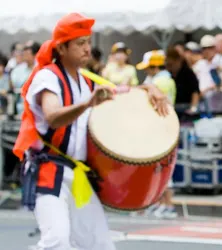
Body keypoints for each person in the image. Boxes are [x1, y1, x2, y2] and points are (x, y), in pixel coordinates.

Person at [12, 13, 170, 250]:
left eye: (88, 42)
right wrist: (87, 104)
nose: (87, 49)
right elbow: (53, 117)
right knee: (56, 241)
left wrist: (149, 88)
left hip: (78, 176)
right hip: (49, 171)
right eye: (80, 43)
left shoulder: (85, 81)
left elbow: (122, 91)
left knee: (100, 245)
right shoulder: (48, 77)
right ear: (62, 48)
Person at [165, 46, 200, 116]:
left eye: (171, 65)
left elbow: (195, 91)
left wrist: (193, 108)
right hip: (173, 107)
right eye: (168, 65)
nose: (169, 67)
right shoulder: (168, 75)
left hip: (186, 108)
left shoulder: (188, 73)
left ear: (178, 61)